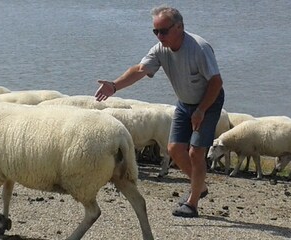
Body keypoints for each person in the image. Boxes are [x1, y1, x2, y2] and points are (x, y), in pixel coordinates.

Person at [95, 5, 224, 218]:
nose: (159, 36)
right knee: (173, 149)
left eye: (163, 31)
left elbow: (216, 82)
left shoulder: (199, 48)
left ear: (180, 27)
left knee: (196, 152)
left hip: (208, 102)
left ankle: (192, 204)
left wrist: (201, 110)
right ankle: (199, 186)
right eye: (155, 31)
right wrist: (114, 86)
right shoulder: (160, 49)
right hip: (184, 102)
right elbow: (139, 70)